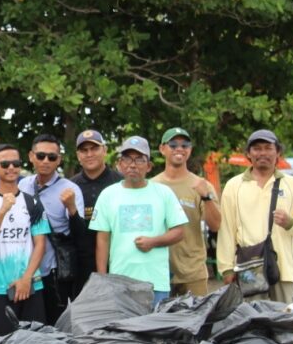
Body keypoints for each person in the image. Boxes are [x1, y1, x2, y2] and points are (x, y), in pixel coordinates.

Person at [217, 129, 293, 303]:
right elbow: (226, 230)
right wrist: (226, 269)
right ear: (248, 153)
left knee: (289, 324)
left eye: (268, 148)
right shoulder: (234, 186)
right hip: (249, 271)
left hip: (286, 271)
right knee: (252, 326)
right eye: (256, 148)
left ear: (278, 152)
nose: (262, 153)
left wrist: (290, 222)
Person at [90, 137, 188, 307]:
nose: (132, 165)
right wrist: (103, 280)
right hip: (119, 284)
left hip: (156, 283)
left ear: (149, 166)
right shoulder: (108, 195)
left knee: (155, 331)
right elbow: (102, 239)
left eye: (139, 159)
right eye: (127, 159)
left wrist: (153, 242)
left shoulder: (163, 193)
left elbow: (179, 232)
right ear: (119, 165)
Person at [0, 144, 50, 336]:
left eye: (15, 163)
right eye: (5, 163)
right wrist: (3, 210)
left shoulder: (32, 202)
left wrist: (26, 279)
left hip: (31, 285)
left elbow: (40, 244)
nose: (11, 168)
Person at [19, 134, 86, 324]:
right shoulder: (23, 184)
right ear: (31, 156)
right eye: (41, 156)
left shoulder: (70, 189)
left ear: (59, 160)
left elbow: (80, 234)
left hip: (53, 270)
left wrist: (71, 208)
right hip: (24, 267)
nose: (46, 161)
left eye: (52, 157)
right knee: (27, 322)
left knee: (53, 323)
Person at [151, 128, 221, 296]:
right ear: (162, 149)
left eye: (185, 144)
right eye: (173, 144)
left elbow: (216, 225)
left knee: (196, 321)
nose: (179, 149)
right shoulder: (151, 186)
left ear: (190, 149)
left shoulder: (201, 185)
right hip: (159, 271)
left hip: (193, 272)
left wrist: (206, 197)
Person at [70, 129, 121, 296]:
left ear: (105, 151)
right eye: (84, 150)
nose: (89, 154)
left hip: (117, 262)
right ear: (78, 155)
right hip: (81, 265)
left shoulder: (121, 183)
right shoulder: (70, 186)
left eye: (94, 148)